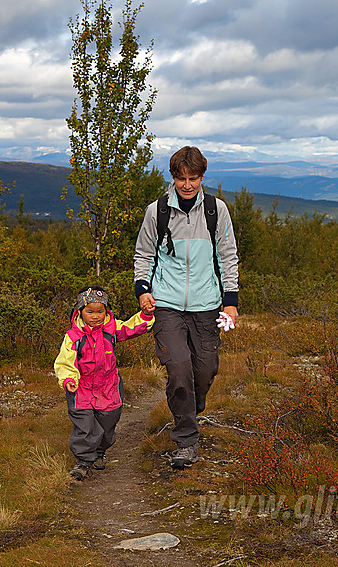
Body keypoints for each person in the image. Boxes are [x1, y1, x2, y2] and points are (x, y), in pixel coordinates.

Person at [133, 146, 239, 469]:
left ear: (202, 177)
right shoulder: (158, 211)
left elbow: (228, 257)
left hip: (207, 306)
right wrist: (143, 291)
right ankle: (186, 442)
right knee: (179, 369)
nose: (187, 185)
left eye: (193, 178)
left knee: (203, 372)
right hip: (166, 304)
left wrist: (230, 302)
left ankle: (191, 407)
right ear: (174, 178)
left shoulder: (216, 211)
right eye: (181, 178)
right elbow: (143, 255)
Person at [54, 286, 154, 480]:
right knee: (84, 425)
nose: (95, 316)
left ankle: (100, 451)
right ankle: (83, 461)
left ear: (106, 310)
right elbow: (65, 361)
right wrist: (68, 379)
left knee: (107, 425)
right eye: (90, 311)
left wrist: (145, 315)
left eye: (100, 311)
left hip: (109, 387)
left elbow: (132, 327)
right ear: (80, 311)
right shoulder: (73, 336)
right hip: (81, 389)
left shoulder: (112, 328)